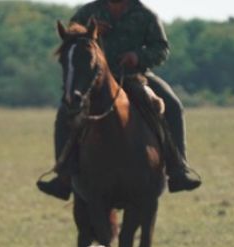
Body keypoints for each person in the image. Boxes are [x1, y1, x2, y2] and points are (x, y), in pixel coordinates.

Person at [37, 0, 201, 200]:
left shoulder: (145, 14)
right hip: (94, 82)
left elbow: (161, 48)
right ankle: (63, 177)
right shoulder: (87, 13)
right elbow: (70, 42)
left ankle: (178, 170)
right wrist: (92, 33)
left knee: (173, 106)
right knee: (65, 113)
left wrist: (138, 56)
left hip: (135, 77)